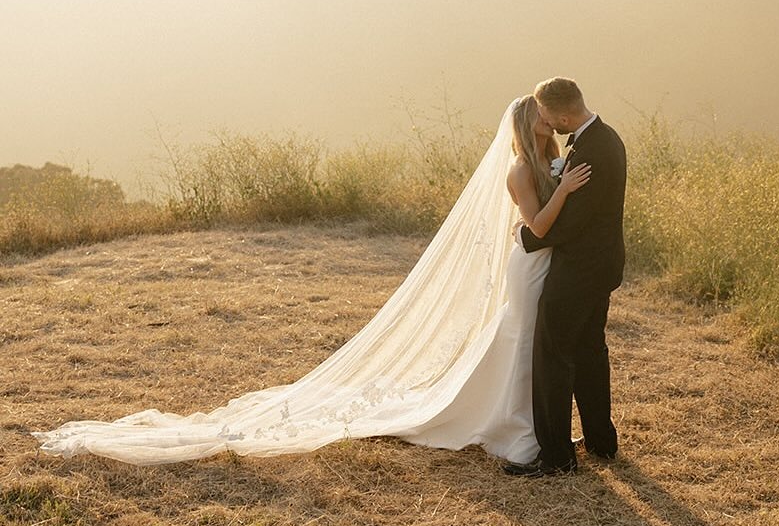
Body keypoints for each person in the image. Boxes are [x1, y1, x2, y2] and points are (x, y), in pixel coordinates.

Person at [31, 95, 591, 467]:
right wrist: (563, 192)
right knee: (521, 342)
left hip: (543, 263)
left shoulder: (550, 161)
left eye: (552, 119)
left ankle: (531, 426)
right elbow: (537, 224)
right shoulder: (523, 170)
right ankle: (517, 430)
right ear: (527, 125)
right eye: (544, 120)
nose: (552, 125)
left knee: (531, 343)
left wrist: (563, 181)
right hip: (530, 264)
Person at [504, 76, 627, 478]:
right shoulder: (605, 139)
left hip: (578, 270)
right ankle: (600, 442)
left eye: (543, 114)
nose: (541, 120)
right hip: (600, 266)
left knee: (552, 356)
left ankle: (556, 457)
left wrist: (527, 237)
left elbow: (571, 223)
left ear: (561, 114)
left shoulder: (590, 151)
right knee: (591, 351)